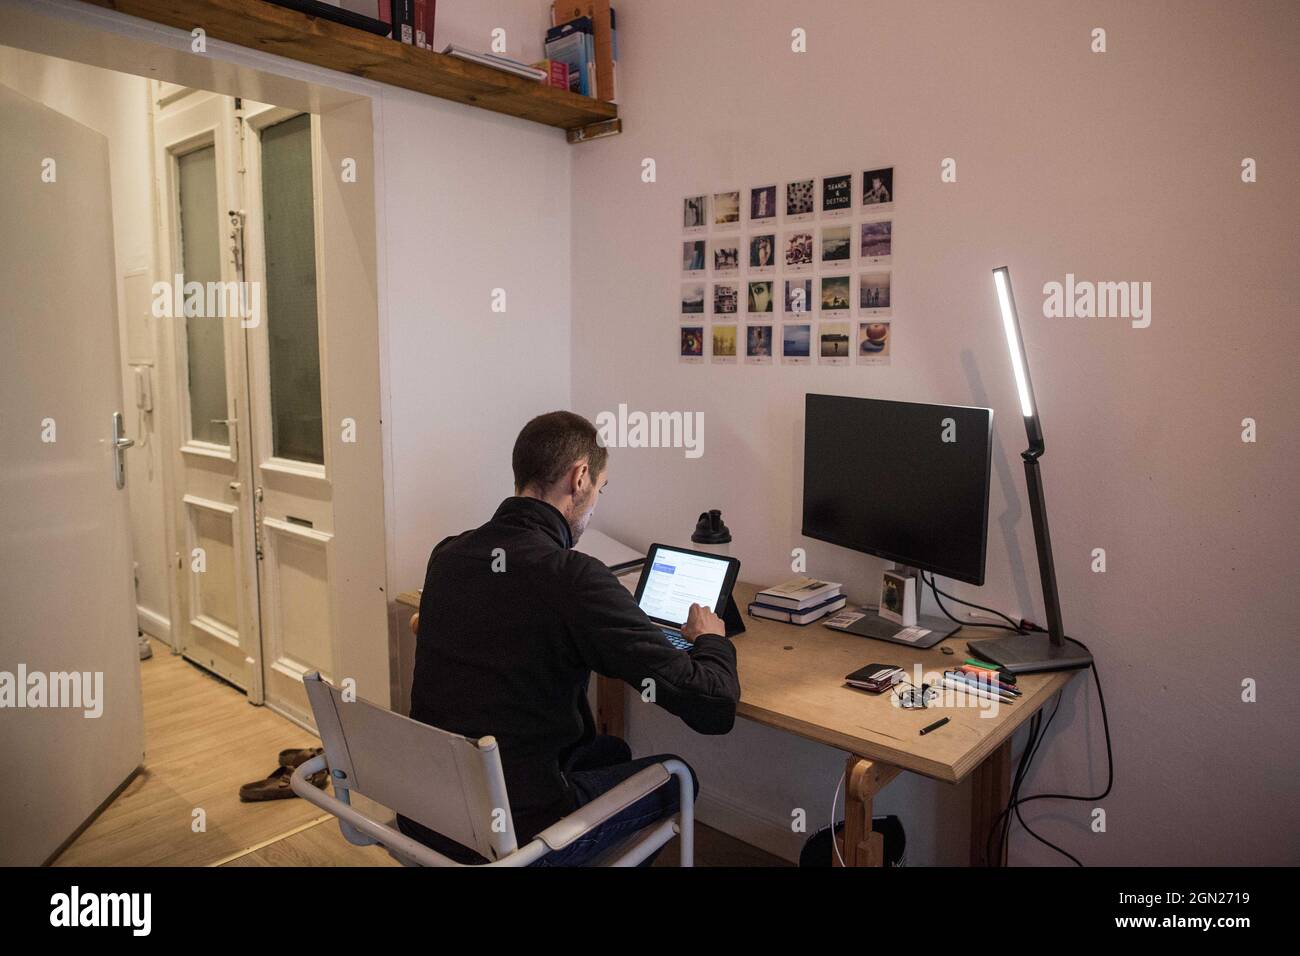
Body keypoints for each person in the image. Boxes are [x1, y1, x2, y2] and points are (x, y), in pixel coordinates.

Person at [398, 411, 740, 866]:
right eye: (599, 487)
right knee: (678, 778)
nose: (595, 499)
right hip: (516, 831)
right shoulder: (573, 578)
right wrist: (711, 639)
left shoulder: (449, 554)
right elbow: (712, 705)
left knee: (612, 751)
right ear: (579, 478)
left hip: (430, 810)